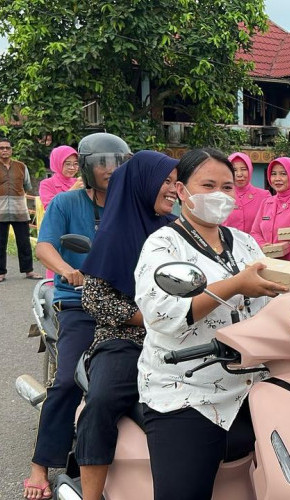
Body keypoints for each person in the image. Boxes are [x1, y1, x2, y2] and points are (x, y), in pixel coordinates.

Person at [135, 148, 288, 500]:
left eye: (227, 187)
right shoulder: (163, 244)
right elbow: (161, 314)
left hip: (253, 386)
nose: (219, 195)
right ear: (181, 191)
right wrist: (235, 285)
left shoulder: (246, 243)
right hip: (187, 391)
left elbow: (276, 295)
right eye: (208, 185)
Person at [22, 133, 129, 500]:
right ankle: (41, 464)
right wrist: (67, 269)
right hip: (79, 303)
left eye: (117, 161)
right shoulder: (67, 202)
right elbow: (46, 245)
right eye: (102, 162)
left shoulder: (131, 203)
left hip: (127, 306)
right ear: (86, 166)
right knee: (68, 380)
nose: (110, 169)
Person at [75, 151, 179, 500]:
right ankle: (91, 494)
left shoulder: (176, 231)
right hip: (125, 338)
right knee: (102, 401)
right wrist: (150, 318)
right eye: (165, 181)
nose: (173, 189)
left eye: (175, 181)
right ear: (142, 184)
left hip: (178, 336)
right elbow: (95, 300)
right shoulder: (114, 233)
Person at [250, 156, 290, 264]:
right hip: (267, 263)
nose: (277, 178)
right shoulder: (266, 203)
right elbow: (255, 232)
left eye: (283, 174)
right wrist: (263, 244)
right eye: (273, 174)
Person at [0, 137, 42, 281]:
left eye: (7, 148)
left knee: (24, 242)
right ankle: (1, 273)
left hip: (19, 211)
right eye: (1, 148)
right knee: (0, 243)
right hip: (0, 211)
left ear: (11, 150)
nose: (4, 150)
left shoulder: (21, 166)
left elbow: (27, 186)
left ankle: (29, 271)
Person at [222, 152, 271, 234]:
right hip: (228, 245)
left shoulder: (264, 196)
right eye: (234, 170)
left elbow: (269, 224)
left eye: (244, 169)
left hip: (256, 245)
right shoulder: (222, 195)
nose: (239, 174)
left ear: (250, 170)